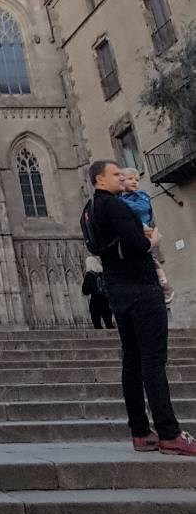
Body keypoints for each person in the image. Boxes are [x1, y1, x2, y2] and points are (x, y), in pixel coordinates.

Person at [81, 161, 194, 456]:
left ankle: (141, 432)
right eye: (116, 174)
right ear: (99, 179)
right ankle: (169, 433)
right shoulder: (117, 206)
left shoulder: (89, 210)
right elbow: (137, 244)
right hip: (141, 288)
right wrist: (153, 239)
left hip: (118, 291)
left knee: (132, 360)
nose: (123, 177)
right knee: (153, 361)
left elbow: (97, 248)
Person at [120, 169, 175, 307]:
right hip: (137, 233)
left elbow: (142, 208)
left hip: (145, 230)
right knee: (148, 260)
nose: (134, 182)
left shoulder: (141, 195)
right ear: (122, 181)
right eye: (130, 179)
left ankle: (165, 286)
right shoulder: (121, 199)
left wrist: (122, 205)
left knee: (153, 260)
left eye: (137, 180)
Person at [81, 255, 114, 329]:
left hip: (95, 302)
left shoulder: (89, 275)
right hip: (106, 301)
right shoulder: (103, 273)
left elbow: (85, 290)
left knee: (97, 325)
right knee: (109, 324)